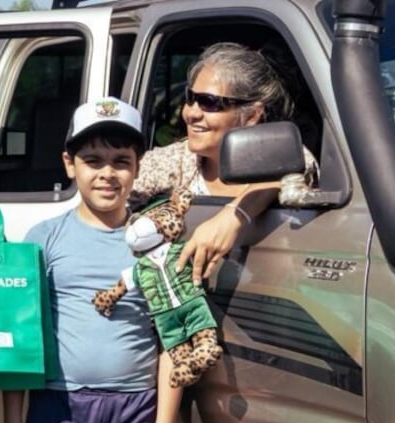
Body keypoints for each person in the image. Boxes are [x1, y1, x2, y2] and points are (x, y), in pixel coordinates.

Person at [3, 97, 179, 423]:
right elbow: (20, 342)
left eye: (121, 160)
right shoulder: (45, 240)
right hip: (59, 410)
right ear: (69, 165)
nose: (107, 173)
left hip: (133, 413)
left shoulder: (161, 246)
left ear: (137, 167)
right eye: (94, 160)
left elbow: (176, 343)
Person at [133, 42, 319, 284]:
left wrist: (233, 217)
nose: (191, 113)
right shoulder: (176, 160)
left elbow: (299, 168)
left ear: (252, 115)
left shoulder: (283, 153)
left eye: (209, 102)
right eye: (190, 98)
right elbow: (118, 187)